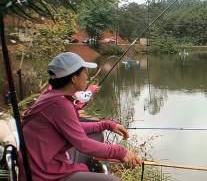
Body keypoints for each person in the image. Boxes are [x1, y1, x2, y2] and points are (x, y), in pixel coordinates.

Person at [20, 52, 142, 181]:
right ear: (73, 78)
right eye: (84, 72)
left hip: (42, 161)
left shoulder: (51, 95)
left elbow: (74, 128)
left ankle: (89, 168)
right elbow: (83, 144)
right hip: (42, 173)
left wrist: (106, 124)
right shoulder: (60, 104)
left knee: (97, 134)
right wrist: (120, 152)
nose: (87, 76)